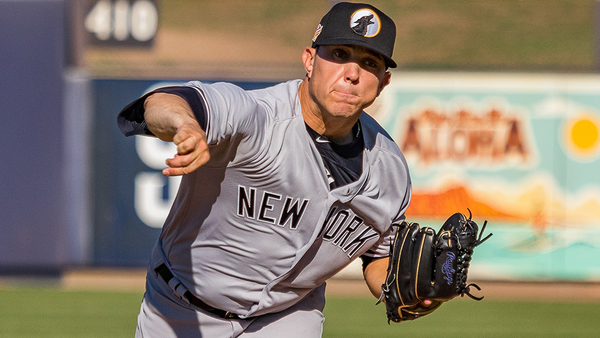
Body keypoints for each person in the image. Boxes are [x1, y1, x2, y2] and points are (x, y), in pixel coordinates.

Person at [118, 2, 420, 337]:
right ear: (309, 60)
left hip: (287, 316)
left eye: (369, 63)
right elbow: (163, 101)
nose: (352, 73)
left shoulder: (389, 171)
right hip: (182, 307)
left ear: (383, 80)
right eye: (338, 54)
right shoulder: (257, 118)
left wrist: (412, 292)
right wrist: (185, 124)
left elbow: (381, 258)